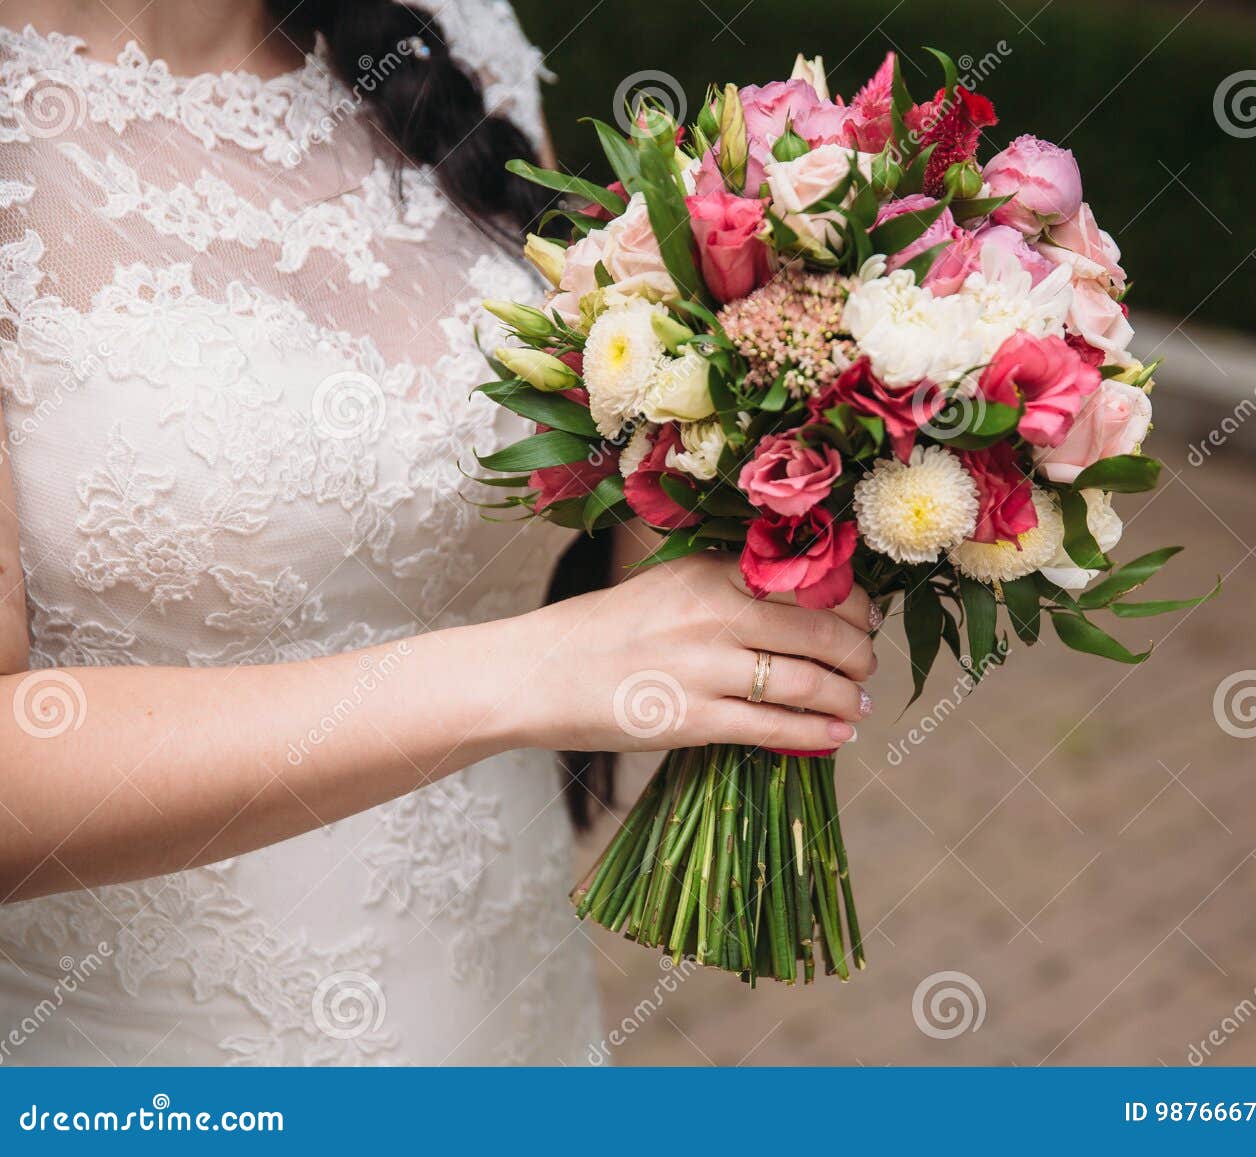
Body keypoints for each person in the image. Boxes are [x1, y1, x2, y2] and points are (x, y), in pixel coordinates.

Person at [0, 0, 874, 1064]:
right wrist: (530, 669)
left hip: (514, 1018)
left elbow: (611, 501)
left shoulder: (455, 31)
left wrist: (814, 413)